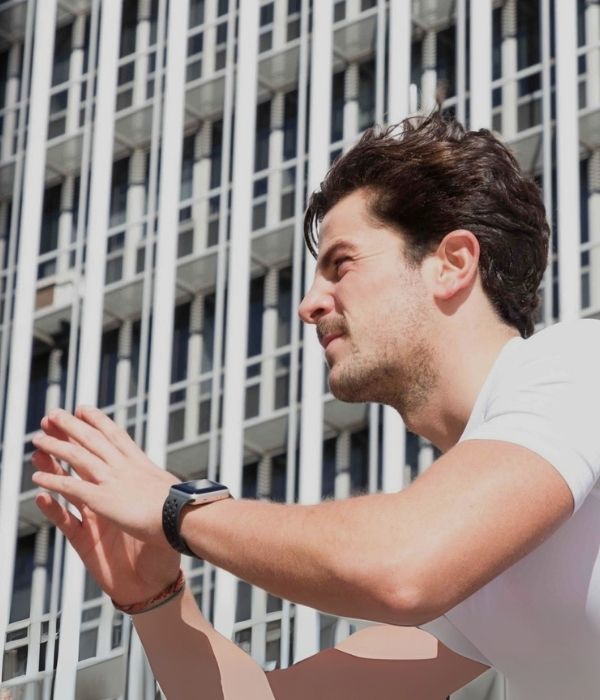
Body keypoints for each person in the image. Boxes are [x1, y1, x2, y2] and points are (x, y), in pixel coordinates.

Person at [30, 111, 600, 699]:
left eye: (341, 264)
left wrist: (177, 510)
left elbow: (402, 567)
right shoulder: (473, 560)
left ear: (452, 263)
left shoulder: (581, 362)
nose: (308, 304)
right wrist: (157, 600)